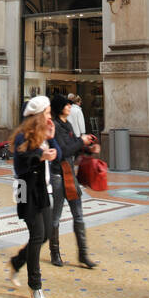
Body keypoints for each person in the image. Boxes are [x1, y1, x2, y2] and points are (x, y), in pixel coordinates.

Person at [5, 95, 59, 298]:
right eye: (46, 113)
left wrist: (52, 139)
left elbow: (58, 154)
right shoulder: (22, 136)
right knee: (37, 235)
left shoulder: (44, 134)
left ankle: (16, 262)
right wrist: (40, 156)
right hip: (26, 189)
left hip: (42, 190)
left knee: (45, 234)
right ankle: (35, 287)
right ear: (37, 116)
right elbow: (22, 164)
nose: (49, 116)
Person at [48, 95, 100, 268]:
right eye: (66, 105)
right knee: (56, 215)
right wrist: (80, 141)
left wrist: (87, 147)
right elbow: (63, 150)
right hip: (58, 174)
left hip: (70, 173)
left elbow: (73, 149)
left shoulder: (68, 125)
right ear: (59, 108)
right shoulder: (54, 126)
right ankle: (54, 252)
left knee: (78, 214)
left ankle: (83, 254)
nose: (69, 107)